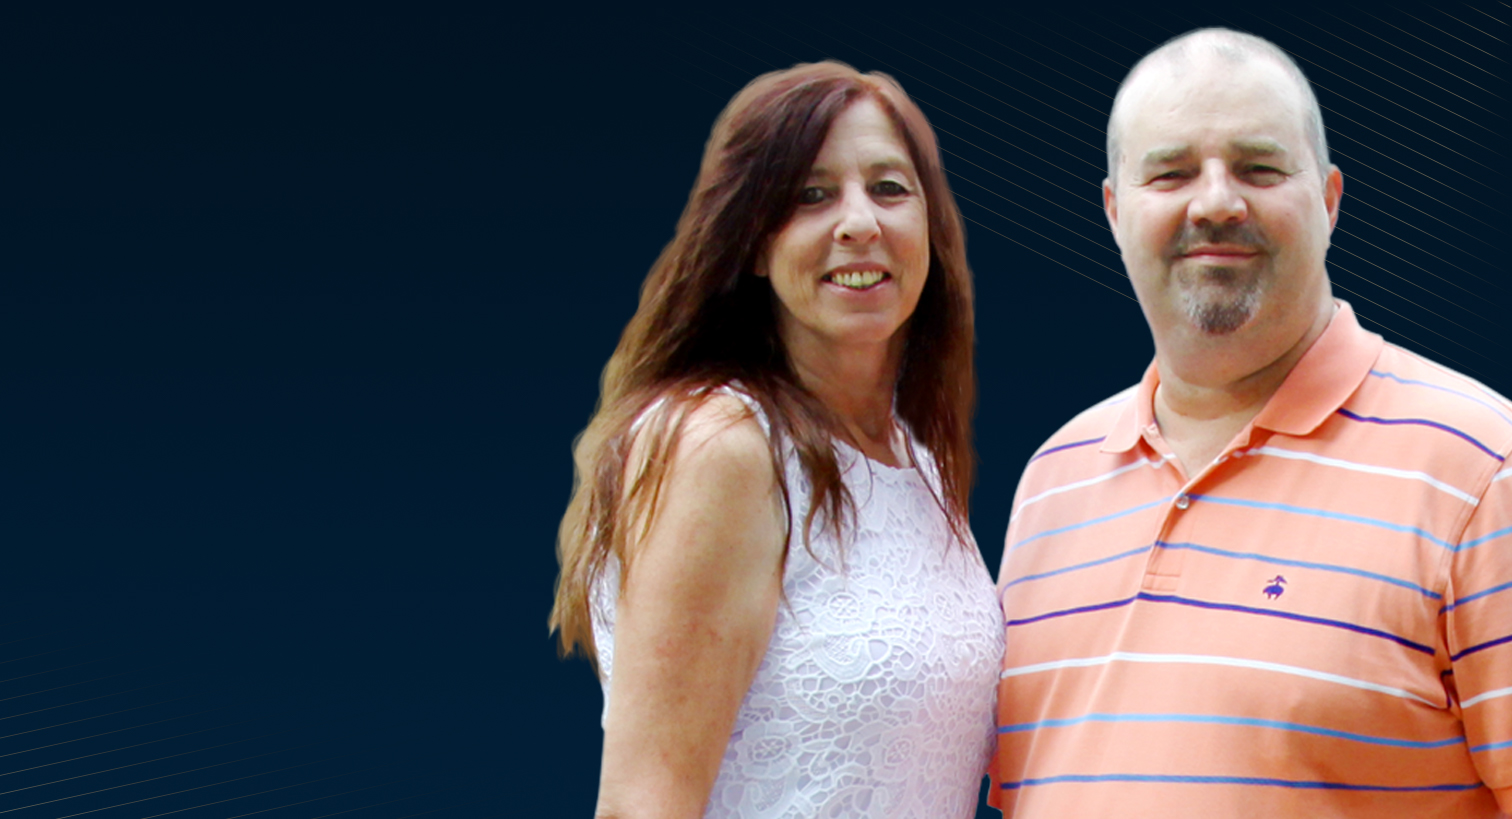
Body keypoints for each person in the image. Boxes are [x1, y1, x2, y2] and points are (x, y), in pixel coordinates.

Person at [991, 27, 1512, 818]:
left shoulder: (1481, 472)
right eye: (1170, 172)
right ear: (1114, 211)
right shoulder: (1051, 483)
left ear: (1330, 200)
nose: (1216, 203)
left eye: (1259, 168)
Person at [547, 61, 1003, 819]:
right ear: (755, 243)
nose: (859, 222)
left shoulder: (917, 463)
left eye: (889, 188)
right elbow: (642, 802)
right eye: (810, 195)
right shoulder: (724, 448)